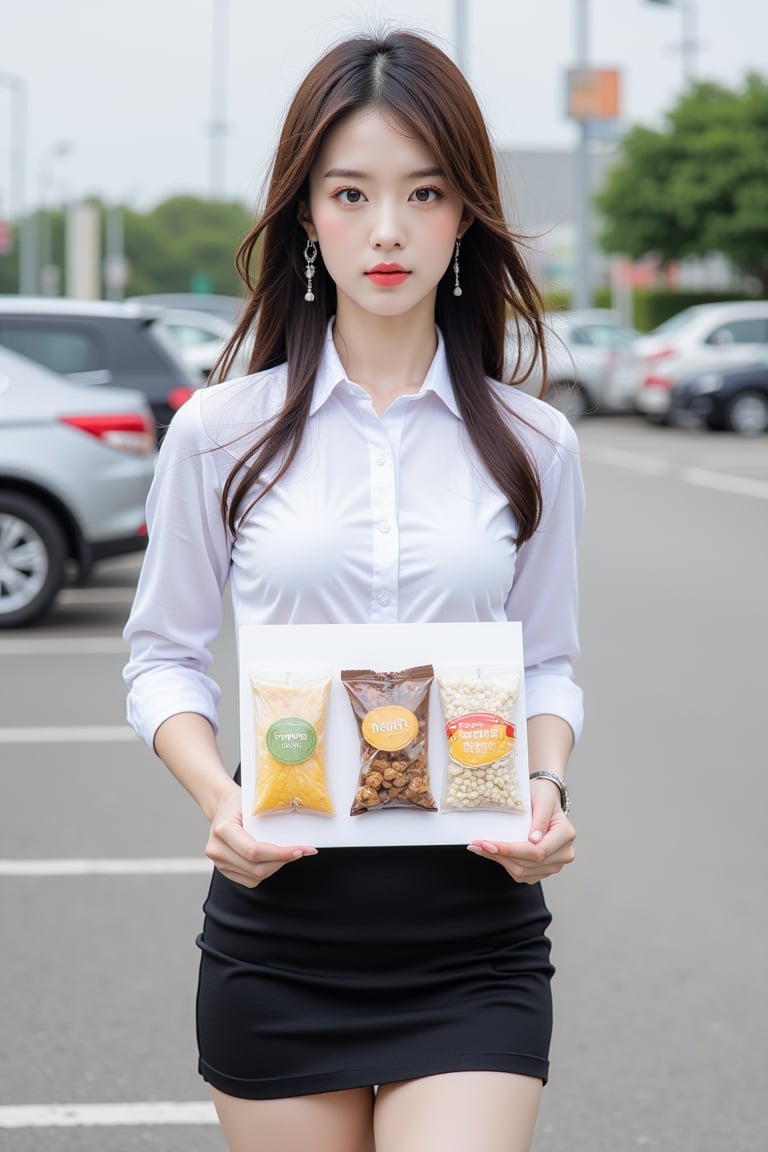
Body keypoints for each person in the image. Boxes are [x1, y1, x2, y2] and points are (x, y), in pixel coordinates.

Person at [122, 25, 584, 1152]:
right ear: (306, 215)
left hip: (472, 935)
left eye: (424, 192)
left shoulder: (535, 440)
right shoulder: (220, 434)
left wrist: (546, 784)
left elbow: (548, 661)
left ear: (464, 211)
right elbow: (162, 657)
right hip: (280, 928)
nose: (387, 229)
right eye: (351, 192)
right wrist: (217, 800)